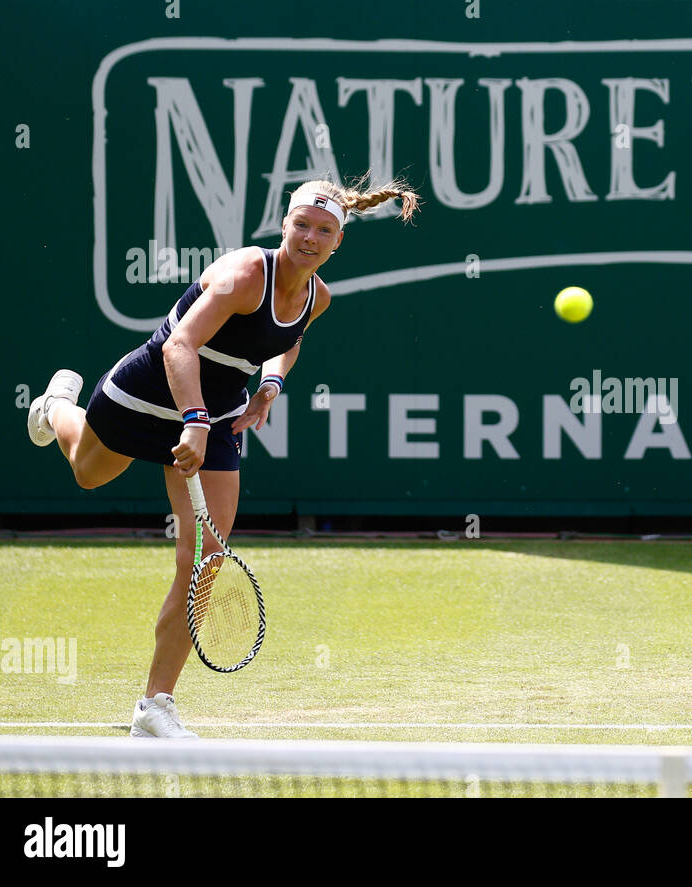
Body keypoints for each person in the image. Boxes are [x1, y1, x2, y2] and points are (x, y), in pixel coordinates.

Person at [27, 176, 419, 738]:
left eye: (324, 230)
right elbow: (177, 346)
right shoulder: (242, 276)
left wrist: (269, 386)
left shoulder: (318, 297)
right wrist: (191, 421)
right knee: (87, 473)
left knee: (205, 556)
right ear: (284, 225)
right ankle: (57, 406)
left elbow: (289, 339)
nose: (310, 237)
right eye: (301, 224)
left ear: (337, 242)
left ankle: (154, 706)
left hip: (217, 412)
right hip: (149, 389)